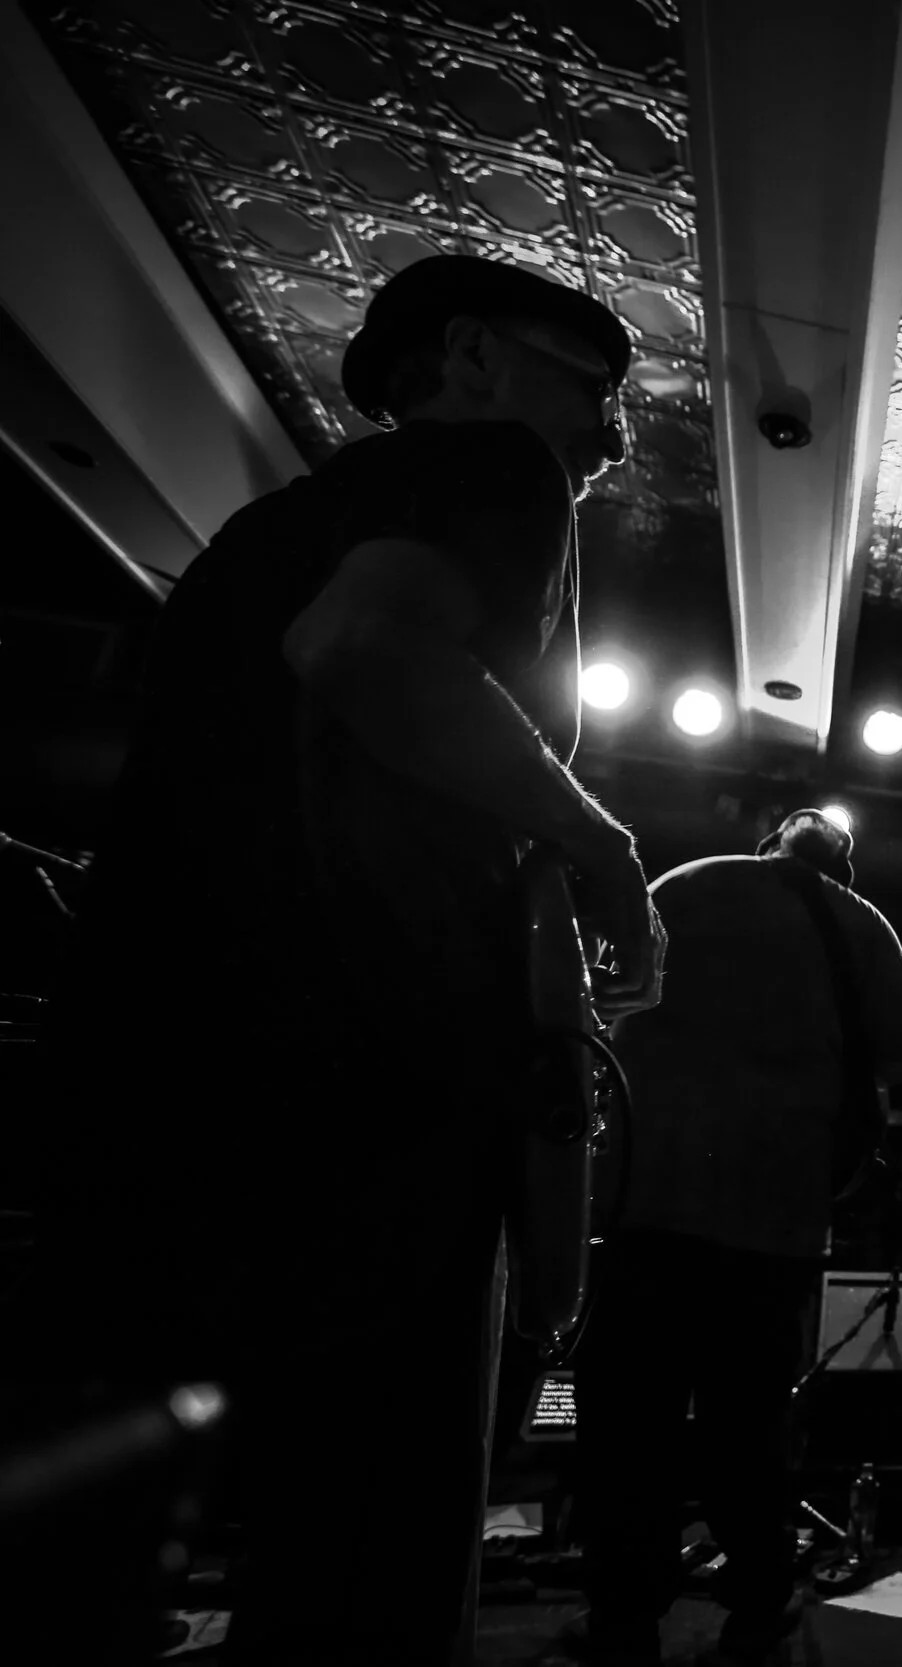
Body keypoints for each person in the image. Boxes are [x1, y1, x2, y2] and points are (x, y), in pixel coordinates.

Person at [21, 255, 664, 1666]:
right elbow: (367, 644)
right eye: (594, 388)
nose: (611, 436)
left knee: (86, 1557)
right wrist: (602, 844)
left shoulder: (261, 532)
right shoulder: (499, 464)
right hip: (368, 1094)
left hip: (143, 1078)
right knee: (366, 1567)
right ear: (475, 358)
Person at [573, 809, 902, 1666]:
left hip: (644, 1203)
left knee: (628, 1426)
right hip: (770, 1220)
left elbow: (598, 995)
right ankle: (757, 1604)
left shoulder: (687, 881)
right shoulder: (858, 921)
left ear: (769, 844)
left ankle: (624, 1616)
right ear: (842, 870)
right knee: (750, 1427)